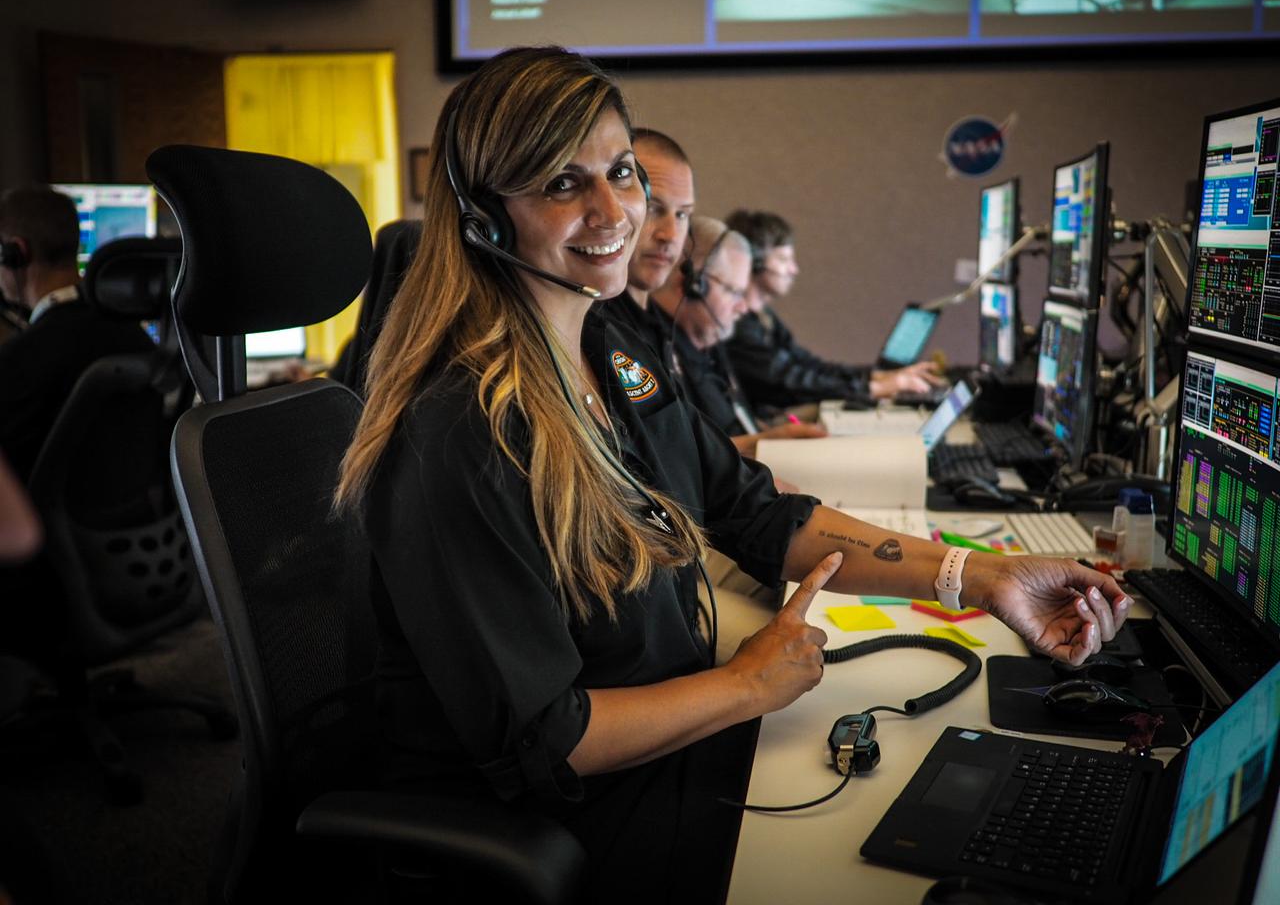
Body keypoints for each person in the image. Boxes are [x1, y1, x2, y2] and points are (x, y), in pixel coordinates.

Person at [335, 46, 1130, 903]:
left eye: (622, 172)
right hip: (571, 823)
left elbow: (750, 511)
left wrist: (985, 577)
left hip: (676, 747)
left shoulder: (608, 352)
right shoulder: (460, 430)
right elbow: (548, 739)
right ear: (487, 217)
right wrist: (745, 684)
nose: (617, 212)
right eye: (563, 184)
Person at [0, 187, 156, 484]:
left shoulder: (21, 360)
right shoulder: (134, 334)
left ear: (17, 252)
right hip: (139, 521)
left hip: (45, 528)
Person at [724, 208, 944, 415]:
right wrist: (874, 388)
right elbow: (791, 381)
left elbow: (809, 366)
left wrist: (876, 377)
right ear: (755, 262)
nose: (794, 269)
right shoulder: (738, 326)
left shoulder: (765, 319)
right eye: (783, 259)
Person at [648, 214, 825, 460]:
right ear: (694, 286)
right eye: (735, 292)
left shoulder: (710, 344)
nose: (743, 308)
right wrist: (761, 442)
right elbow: (678, 459)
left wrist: (776, 434)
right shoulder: (653, 352)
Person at [595, 128, 694, 357]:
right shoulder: (590, 330)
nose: (670, 235)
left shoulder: (668, 329)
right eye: (653, 208)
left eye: (682, 215)